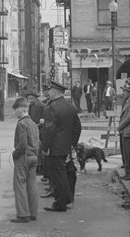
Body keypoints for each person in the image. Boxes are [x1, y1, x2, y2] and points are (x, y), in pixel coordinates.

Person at [41, 80, 81, 212]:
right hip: (66, 147)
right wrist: (72, 144)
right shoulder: (71, 106)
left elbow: (49, 130)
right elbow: (77, 128)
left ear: (54, 92)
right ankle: (67, 199)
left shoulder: (51, 107)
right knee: (64, 173)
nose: (48, 94)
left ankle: (60, 203)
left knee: (58, 176)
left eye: (50, 91)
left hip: (55, 147)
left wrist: (44, 147)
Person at [10, 97, 39, 222]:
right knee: (32, 185)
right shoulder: (33, 123)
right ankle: (33, 212)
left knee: (19, 185)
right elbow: (39, 141)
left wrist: (15, 153)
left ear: (21, 110)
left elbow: (22, 143)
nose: (15, 113)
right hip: (34, 156)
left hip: (23, 157)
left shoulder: (21, 124)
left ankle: (23, 214)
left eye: (15, 110)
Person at [118, 84, 130, 180]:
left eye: (125, 91)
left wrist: (120, 126)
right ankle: (128, 171)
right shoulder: (126, 101)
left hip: (129, 130)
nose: (123, 93)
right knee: (126, 153)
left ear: (129, 92)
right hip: (125, 131)